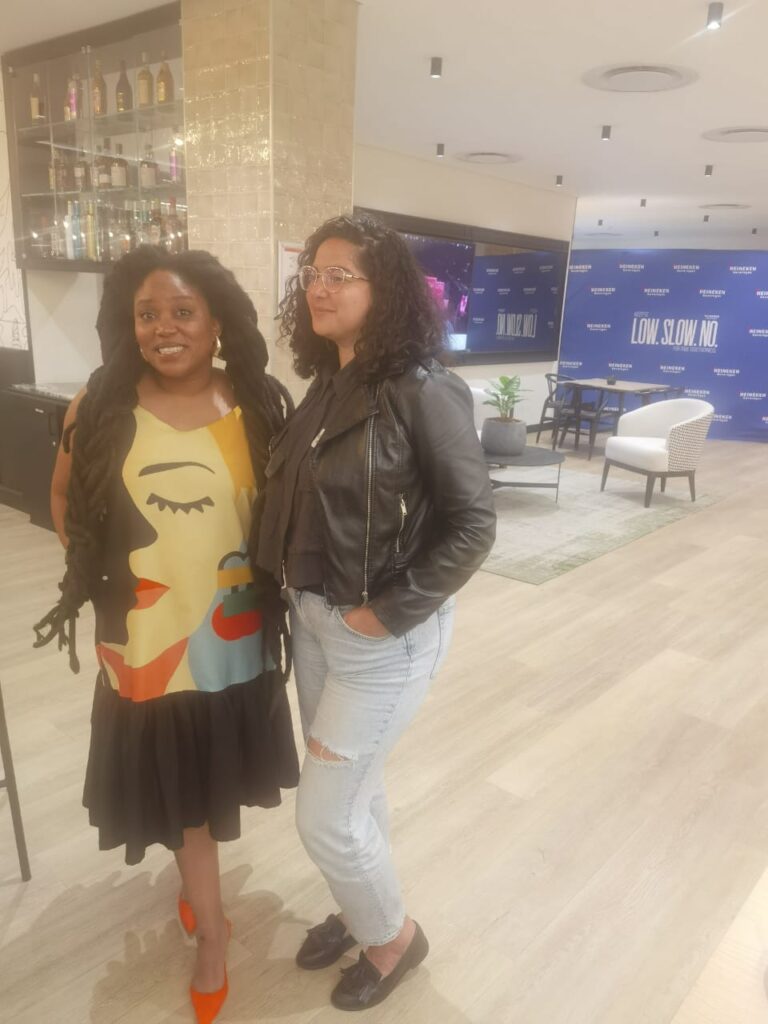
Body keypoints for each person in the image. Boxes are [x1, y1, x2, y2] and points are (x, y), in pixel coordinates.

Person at [34, 245, 300, 1024]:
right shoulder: (102, 403)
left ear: (217, 322)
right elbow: (62, 493)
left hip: (230, 633)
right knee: (184, 794)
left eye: (183, 311)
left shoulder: (255, 403)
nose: (163, 327)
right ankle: (212, 932)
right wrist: (93, 570)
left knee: (203, 782)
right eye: (147, 314)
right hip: (144, 635)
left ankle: (198, 892)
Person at [258, 214, 496, 1010]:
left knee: (324, 816)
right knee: (355, 792)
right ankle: (358, 910)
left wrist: (387, 614)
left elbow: (473, 524)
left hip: (380, 638)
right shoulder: (326, 387)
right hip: (314, 622)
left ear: (384, 289)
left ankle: (394, 938)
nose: (319, 289)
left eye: (340, 275)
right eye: (312, 275)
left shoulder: (425, 389)